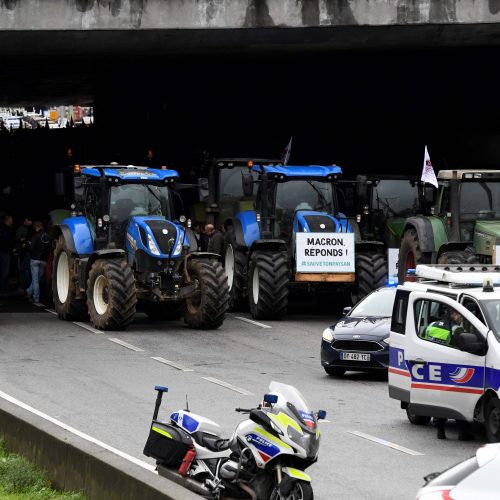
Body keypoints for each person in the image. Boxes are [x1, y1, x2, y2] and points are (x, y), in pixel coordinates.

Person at [26, 221, 50, 305]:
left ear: (36, 227)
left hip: (35, 259)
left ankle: (36, 298)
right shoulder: (47, 236)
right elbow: (48, 248)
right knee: (38, 279)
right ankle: (29, 291)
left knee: (35, 280)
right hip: (43, 260)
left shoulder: (35, 235)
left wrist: (29, 245)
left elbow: (31, 248)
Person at [15, 216, 33, 292]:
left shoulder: (30, 229)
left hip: (27, 252)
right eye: (30, 220)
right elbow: (18, 238)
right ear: (26, 220)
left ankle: (25, 286)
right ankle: (25, 286)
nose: (31, 222)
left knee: (25, 269)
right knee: (25, 269)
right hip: (24, 252)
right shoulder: (23, 229)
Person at [0, 215, 14, 292]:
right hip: (5, 252)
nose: (12, 221)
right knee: (5, 271)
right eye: (11, 220)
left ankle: (3, 287)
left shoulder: (1, 228)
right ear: (8, 220)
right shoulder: (7, 229)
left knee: (3, 270)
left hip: (2, 251)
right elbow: (9, 241)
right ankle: (3, 288)